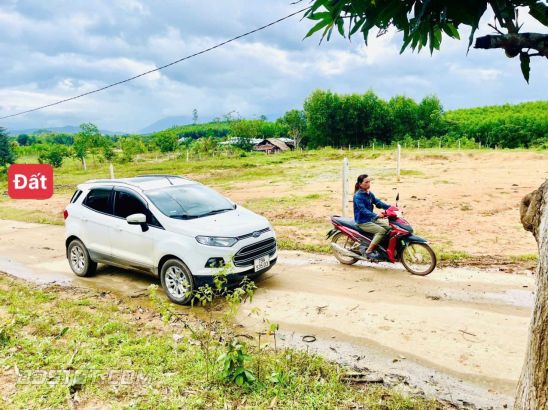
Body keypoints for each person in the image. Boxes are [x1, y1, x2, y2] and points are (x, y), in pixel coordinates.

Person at [353, 174, 391, 260]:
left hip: (371, 219)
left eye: (369, 182)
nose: (368, 184)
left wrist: (390, 208)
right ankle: (368, 251)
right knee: (381, 231)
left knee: (389, 229)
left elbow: (378, 202)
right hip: (362, 221)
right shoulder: (358, 196)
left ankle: (380, 248)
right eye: (366, 182)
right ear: (360, 184)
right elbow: (362, 210)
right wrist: (376, 215)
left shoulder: (369, 194)